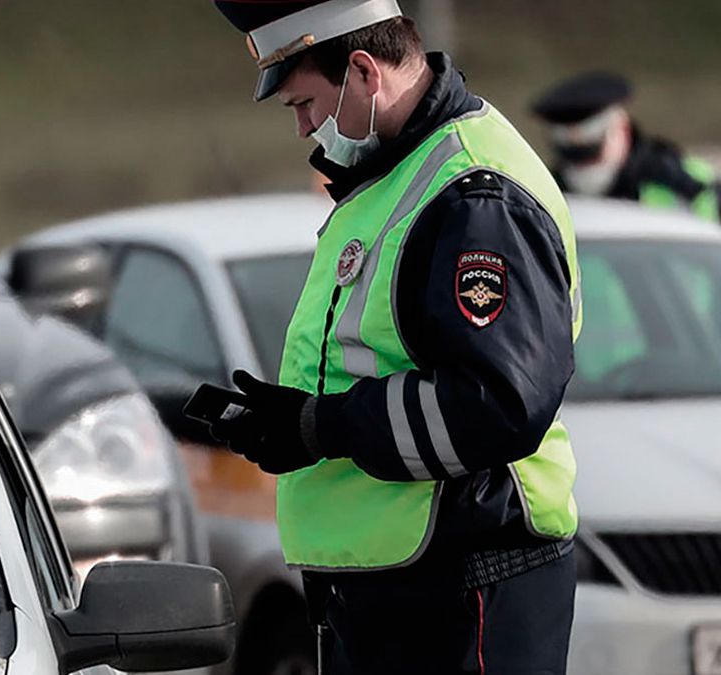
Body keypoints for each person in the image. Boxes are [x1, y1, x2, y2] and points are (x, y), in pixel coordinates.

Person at [208, 2, 580, 673]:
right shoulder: (395, 173)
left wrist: (321, 427)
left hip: (466, 584)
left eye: (305, 103)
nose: (301, 128)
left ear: (362, 71)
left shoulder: (472, 194)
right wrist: (288, 421)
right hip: (399, 590)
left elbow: (496, 402)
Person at [532, 71, 720, 222]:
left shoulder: (686, 183)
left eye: (594, 153)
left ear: (621, 130)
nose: (583, 167)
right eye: (573, 158)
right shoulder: (545, 195)